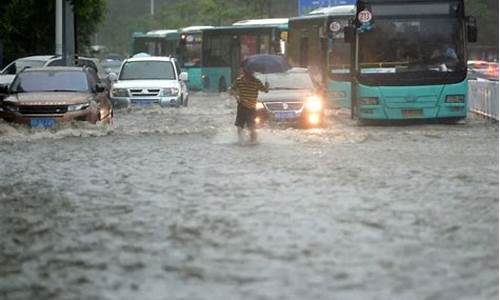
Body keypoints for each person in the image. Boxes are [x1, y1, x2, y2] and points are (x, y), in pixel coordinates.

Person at [230, 68, 269, 144]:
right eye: (247, 72)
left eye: (251, 72)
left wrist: (267, 86)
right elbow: (231, 90)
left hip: (252, 108)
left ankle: (253, 141)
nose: (249, 74)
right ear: (244, 72)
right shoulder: (239, 81)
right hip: (242, 106)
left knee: (252, 127)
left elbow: (265, 90)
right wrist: (235, 95)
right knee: (240, 126)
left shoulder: (256, 82)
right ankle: (241, 141)